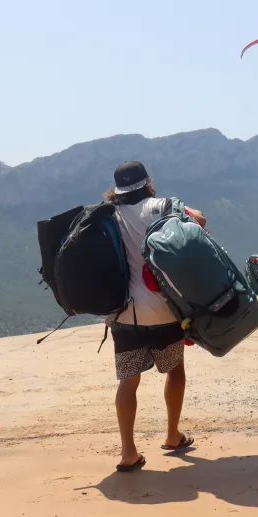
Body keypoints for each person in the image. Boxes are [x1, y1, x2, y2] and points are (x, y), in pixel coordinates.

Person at [104, 161, 206, 472]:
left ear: (118, 188)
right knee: (174, 371)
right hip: (164, 310)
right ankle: (173, 435)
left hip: (124, 314)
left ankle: (128, 452)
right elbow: (200, 220)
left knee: (128, 381)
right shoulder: (162, 205)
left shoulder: (108, 216)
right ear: (147, 181)